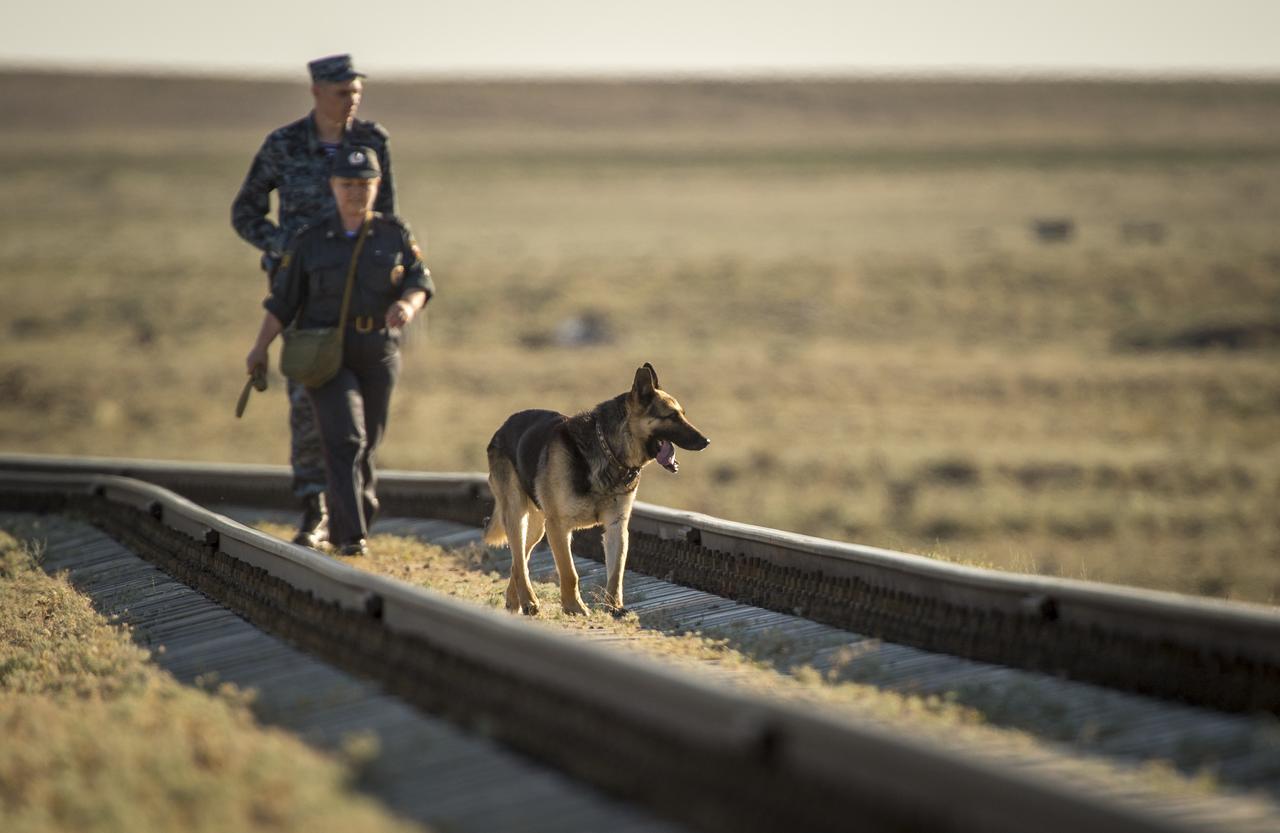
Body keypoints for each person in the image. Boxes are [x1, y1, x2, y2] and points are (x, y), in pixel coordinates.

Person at [231, 53, 396, 547]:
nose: (352, 101)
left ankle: (355, 510)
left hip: (363, 296)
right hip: (303, 298)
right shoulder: (282, 145)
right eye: (343, 92)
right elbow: (246, 212)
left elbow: (386, 214)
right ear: (317, 92)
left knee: (363, 407)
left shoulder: (373, 141)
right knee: (309, 398)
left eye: (357, 92)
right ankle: (314, 507)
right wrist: (288, 249)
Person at [244, 148, 433, 556]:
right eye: (348, 184)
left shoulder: (393, 233)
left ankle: (360, 512)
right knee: (345, 438)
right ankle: (350, 538)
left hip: (378, 350)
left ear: (376, 186)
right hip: (326, 354)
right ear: (333, 187)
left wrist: (407, 305)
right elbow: (282, 301)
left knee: (367, 443)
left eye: (364, 184)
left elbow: (419, 280)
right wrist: (260, 347)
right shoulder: (311, 241)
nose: (356, 192)